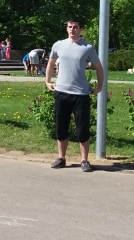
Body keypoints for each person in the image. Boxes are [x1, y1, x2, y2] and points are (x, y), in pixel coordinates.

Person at [45, 18, 104, 173]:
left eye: (75, 27)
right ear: (67, 28)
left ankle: (84, 160)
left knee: (82, 129)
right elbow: (51, 64)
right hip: (61, 92)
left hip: (81, 94)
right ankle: (61, 158)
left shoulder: (88, 48)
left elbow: (99, 68)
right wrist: (47, 81)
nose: (72, 30)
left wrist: (99, 87)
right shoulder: (58, 45)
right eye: (70, 27)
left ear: (81, 29)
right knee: (61, 127)